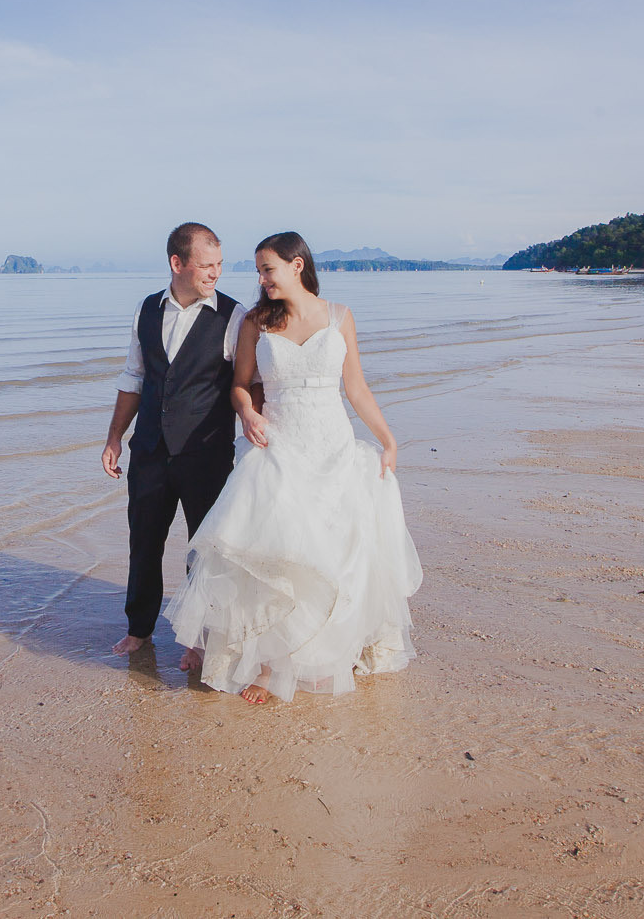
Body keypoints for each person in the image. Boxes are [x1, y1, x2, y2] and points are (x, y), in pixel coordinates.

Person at [166, 231, 422, 703]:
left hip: (333, 447)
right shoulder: (256, 323)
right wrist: (248, 413)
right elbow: (240, 386)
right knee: (273, 557)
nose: (261, 279)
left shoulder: (340, 317)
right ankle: (267, 667)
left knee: (333, 555)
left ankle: (326, 652)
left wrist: (387, 440)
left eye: (268, 269)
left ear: (297, 265)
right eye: (260, 271)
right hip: (279, 446)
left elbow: (357, 389)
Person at [103, 222, 249, 664]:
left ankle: (199, 637)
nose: (215, 274)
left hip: (205, 454)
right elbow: (134, 378)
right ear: (177, 263)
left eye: (220, 265)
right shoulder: (146, 310)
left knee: (204, 548)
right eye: (207, 265)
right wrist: (115, 437)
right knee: (143, 540)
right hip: (148, 450)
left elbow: (248, 384)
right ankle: (139, 629)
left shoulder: (234, 316)